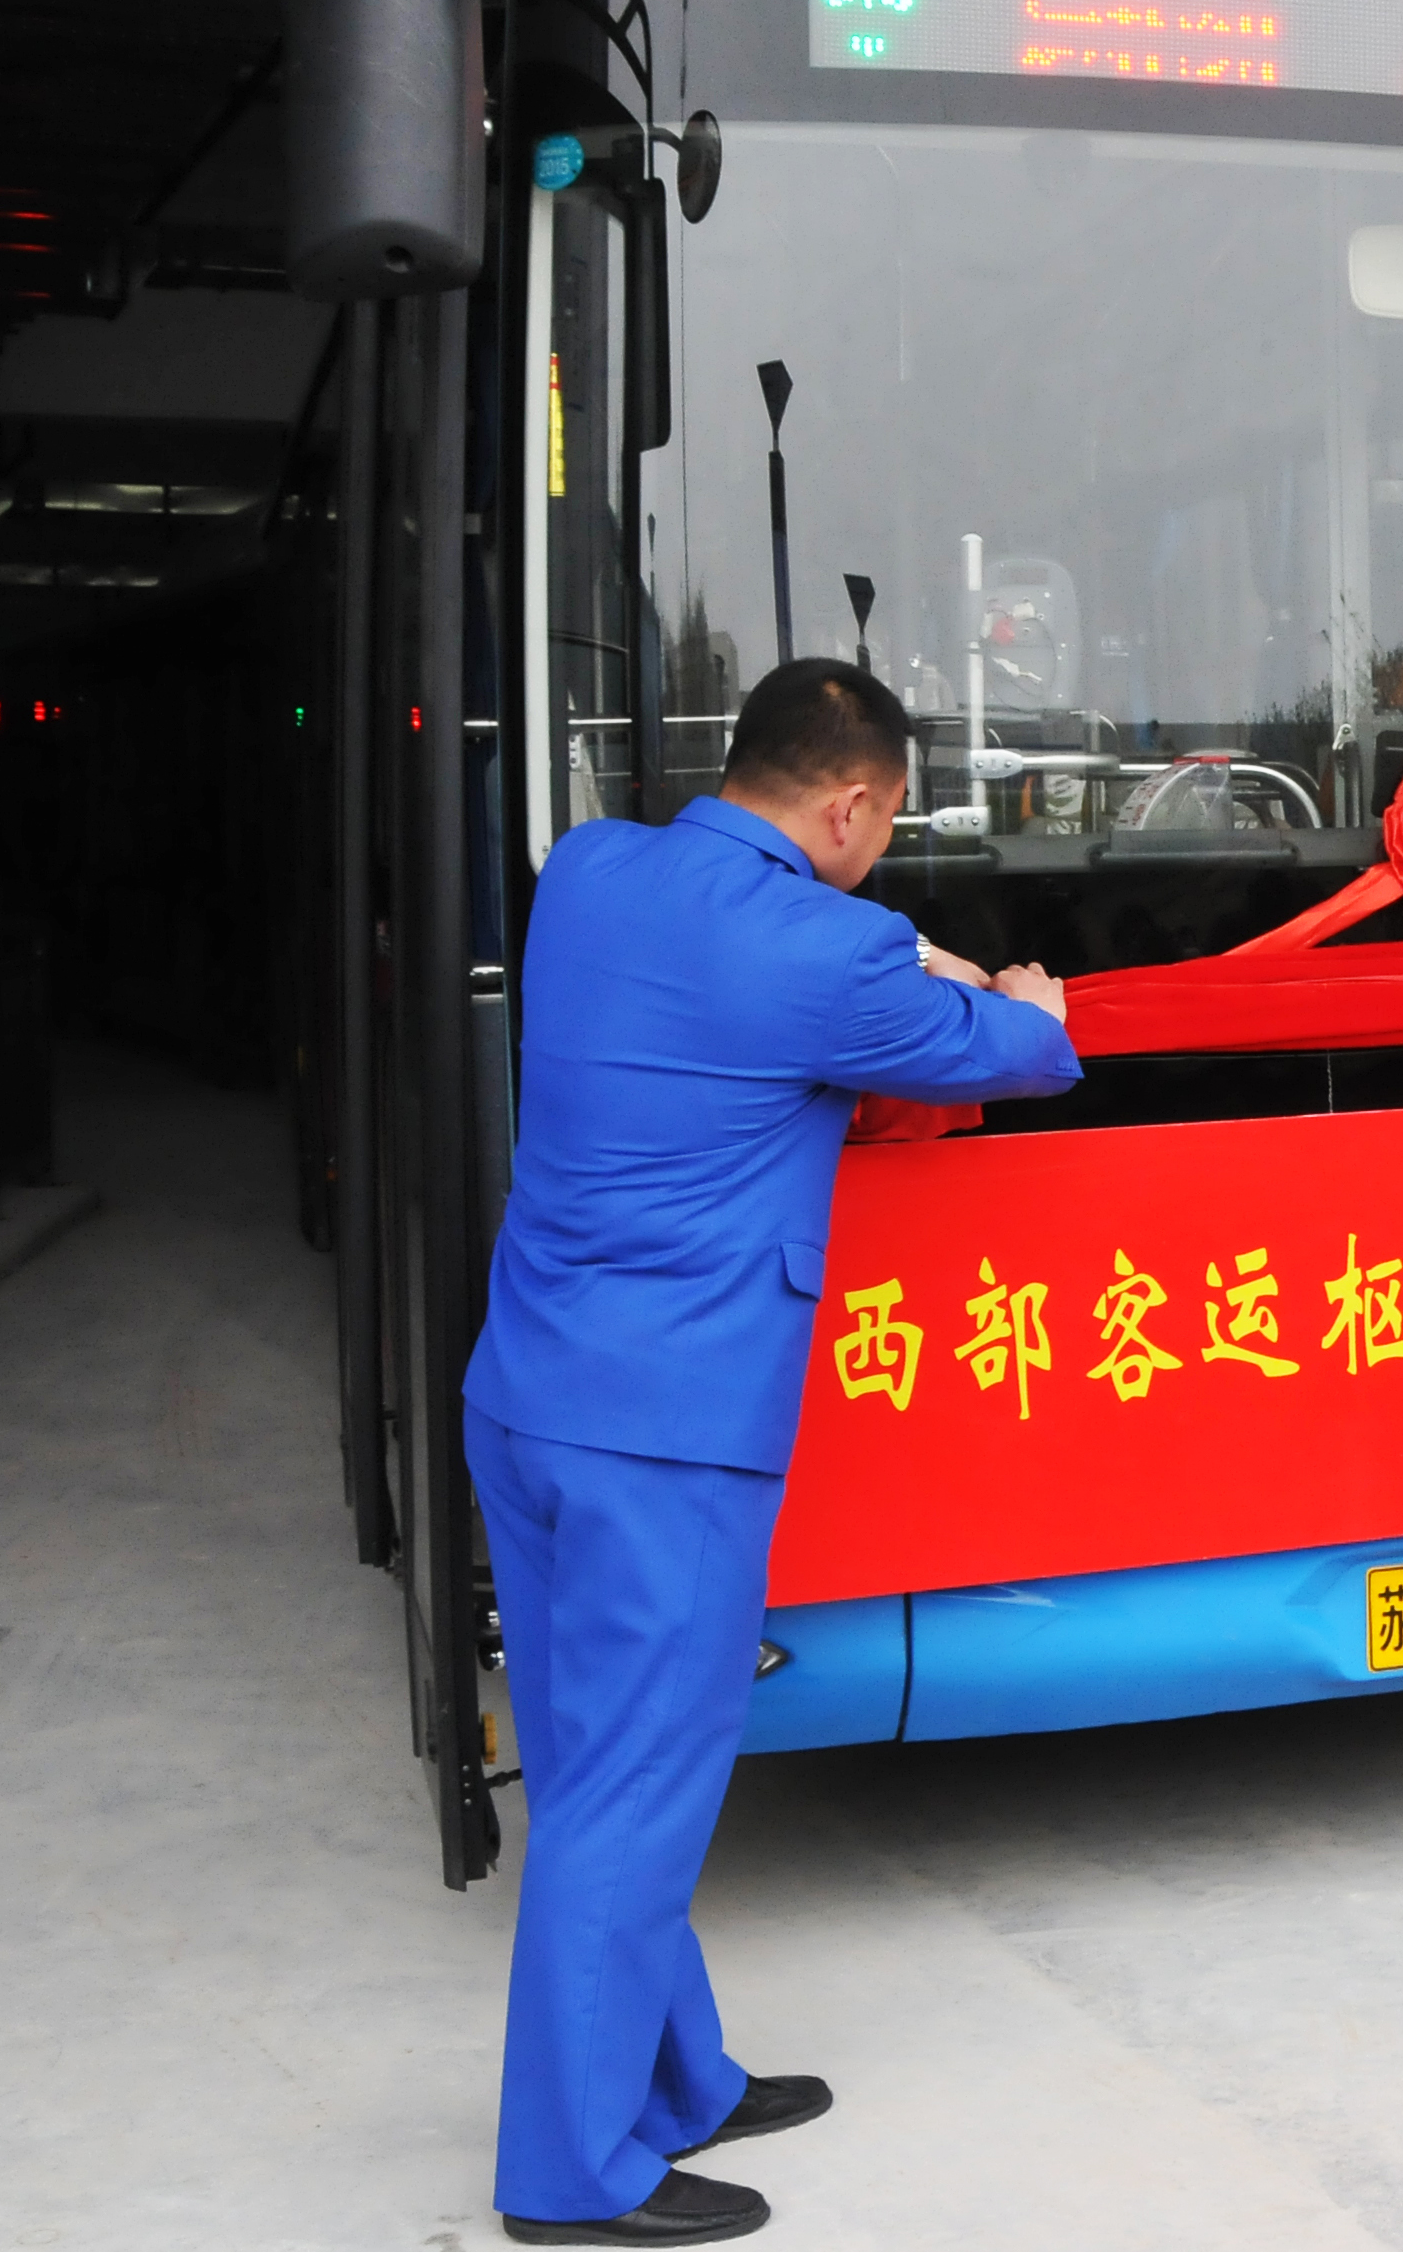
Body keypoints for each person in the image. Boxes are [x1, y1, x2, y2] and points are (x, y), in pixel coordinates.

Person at [466, 658, 1083, 2242]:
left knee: (594, 1771)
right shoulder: (824, 947)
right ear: (855, 805)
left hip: (525, 1394)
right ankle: (570, 2176)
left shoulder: (590, 869)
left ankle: (679, 2082)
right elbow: (1018, 1055)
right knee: (633, 1792)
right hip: (662, 1434)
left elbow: (812, 968)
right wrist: (1028, 1004)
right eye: (891, 823)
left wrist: (902, 951)